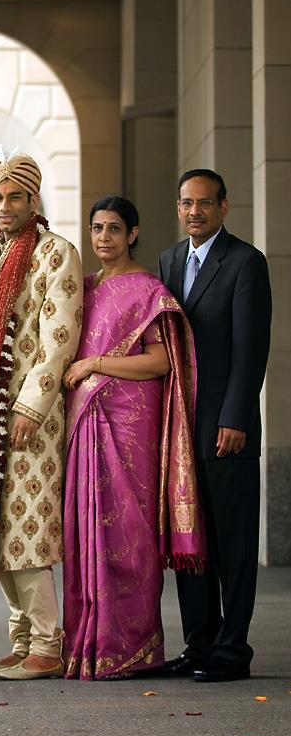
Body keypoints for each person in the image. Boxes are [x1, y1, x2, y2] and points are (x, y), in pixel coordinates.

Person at [62, 196, 206, 680]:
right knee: (88, 532)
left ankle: (134, 647)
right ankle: (90, 646)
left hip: (129, 423)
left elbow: (162, 361)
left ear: (134, 234)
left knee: (129, 532)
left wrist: (95, 365)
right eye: (97, 229)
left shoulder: (148, 290)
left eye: (114, 229)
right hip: (87, 424)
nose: (104, 238)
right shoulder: (81, 289)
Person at [0, 145, 83, 681]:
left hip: (33, 413)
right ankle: (20, 640)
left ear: (33, 198)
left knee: (27, 525)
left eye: (15, 196)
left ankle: (47, 644)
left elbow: (59, 338)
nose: (5, 205)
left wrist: (31, 405)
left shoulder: (56, 252)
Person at [158, 169, 272, 683]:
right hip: (180, 426)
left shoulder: (246, 262)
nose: (194, 212)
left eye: (205, 203)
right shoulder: (169, 260)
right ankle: (200, 643)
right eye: (186, 203)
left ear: (224, 208)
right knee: (192, 541)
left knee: (232, 544)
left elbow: (251, 349)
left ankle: (233, 649)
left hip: (227, 429)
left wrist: (236, 418)